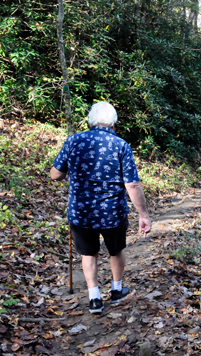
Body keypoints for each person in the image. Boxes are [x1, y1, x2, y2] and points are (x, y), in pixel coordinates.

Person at [50, 102, 151, 314]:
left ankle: (94, 298)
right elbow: (132, 184)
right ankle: (116, 290)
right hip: (112, 211)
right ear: (113, 122)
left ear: (91, 120)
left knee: (88, 253)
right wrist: (143, 214)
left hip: (81, 211)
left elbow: (55, 174)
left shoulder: (74, 141)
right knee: (116, 250)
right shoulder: (121, 145)